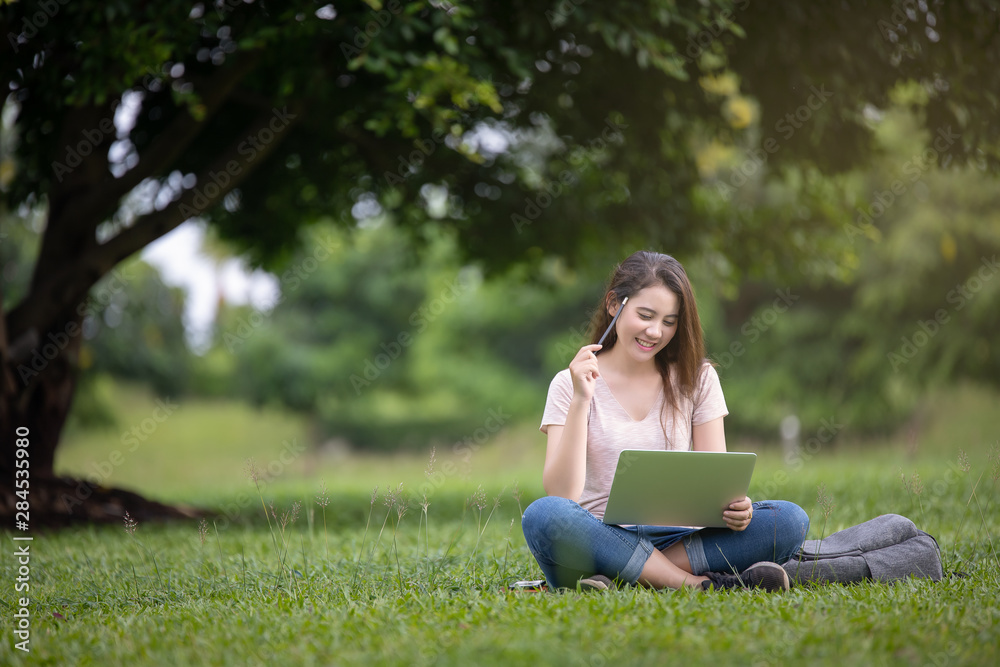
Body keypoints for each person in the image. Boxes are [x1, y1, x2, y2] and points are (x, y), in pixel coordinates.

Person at [521, 251, 809, 592]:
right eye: (645, 315)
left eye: (670, 321)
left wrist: (736, 509)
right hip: (596, 535)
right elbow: (561, 493)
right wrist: (582, 399)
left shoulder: (697, 379)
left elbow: (715, 480)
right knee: (545, 515)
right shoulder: (569, 383)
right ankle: (694, 584)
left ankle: (623, 574)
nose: (655, 331)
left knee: (788, 520)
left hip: (680, 538)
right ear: (614, 305)